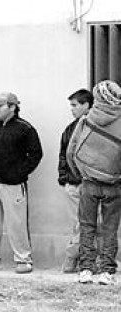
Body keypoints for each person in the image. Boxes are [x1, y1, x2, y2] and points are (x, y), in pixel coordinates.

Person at [0, 92, 43, 274]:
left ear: (12, 107)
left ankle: (23, 260)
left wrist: (18, 174)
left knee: (17, 223)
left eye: (0, 105)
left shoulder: (25, 129)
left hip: (13, 185)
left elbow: (35, 154)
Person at [67, 80, 121, 285]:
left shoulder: (86, 120)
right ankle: (107, 271)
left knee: (87, 226)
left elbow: (71, 151)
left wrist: (82, 173)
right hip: (114, 184)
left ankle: (86, 269)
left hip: (89, 182)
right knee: (109, 228)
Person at [58, 89, 94, 273]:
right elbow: (63, 155)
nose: (71, 109)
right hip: (74, 184)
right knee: (79, 223)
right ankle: (78, 258)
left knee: (90, 223)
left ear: (86, 105)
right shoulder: (70, 128)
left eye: (75, 105)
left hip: (91, 183)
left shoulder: (94, 127)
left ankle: (75, 257)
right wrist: (65, 179)